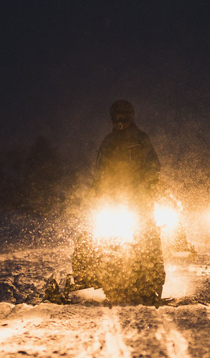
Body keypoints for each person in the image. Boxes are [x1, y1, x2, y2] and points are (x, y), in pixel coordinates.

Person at [69, 100, 166, 305]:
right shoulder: (108, 142)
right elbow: (99, 171)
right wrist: (94, 192)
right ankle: (87, 273)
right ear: (112, 118)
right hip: (113, 199)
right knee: (92, 234)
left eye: (124, 116)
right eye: (117, 116)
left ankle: (152, 283)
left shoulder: (141, 139)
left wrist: (150, 181)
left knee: (149, 237)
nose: (120, 120)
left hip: (138, 199)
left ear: (131, 117)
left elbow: (153, 165)